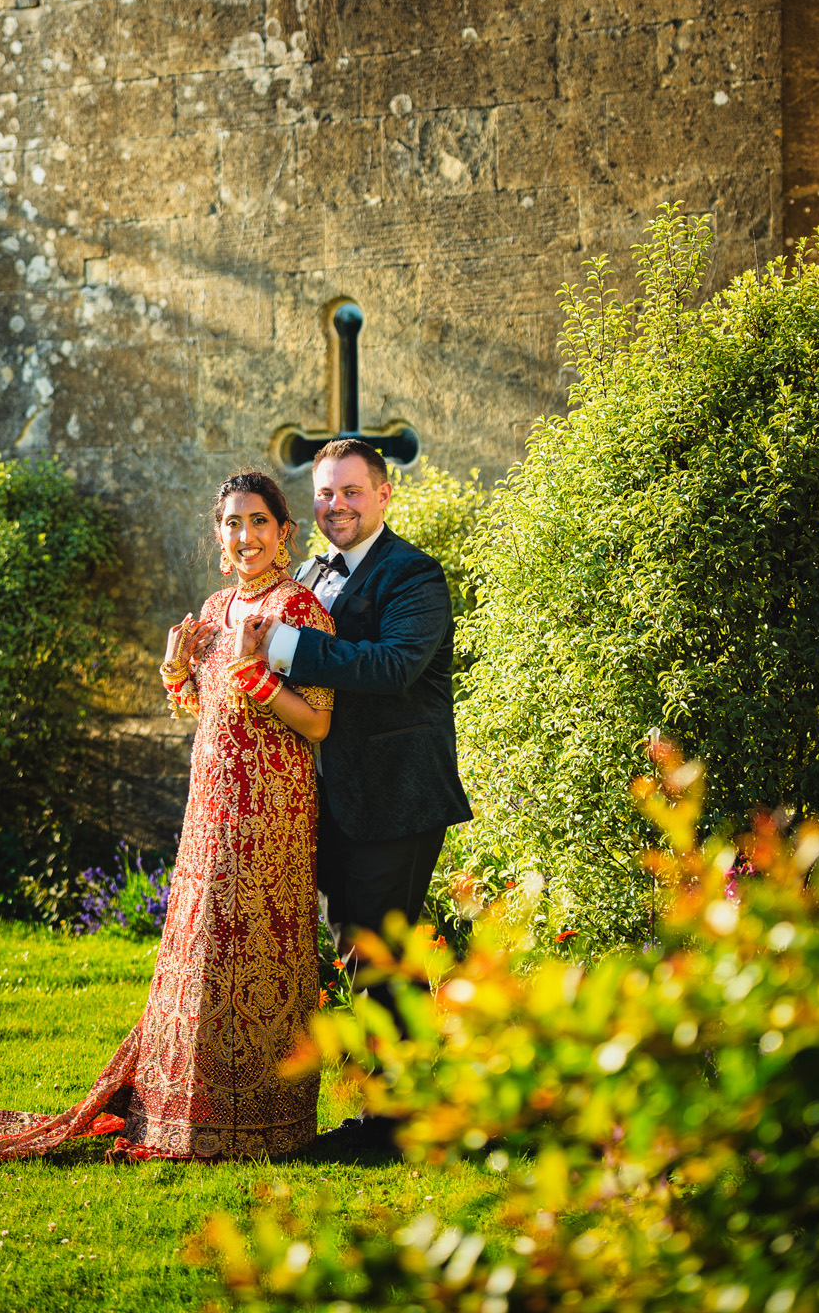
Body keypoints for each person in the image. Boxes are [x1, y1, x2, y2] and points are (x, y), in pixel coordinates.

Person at [0, 471, 334, 1170]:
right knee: (204, 957)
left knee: (255, 955)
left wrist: (256, 675)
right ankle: (197, 1111)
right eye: (231, 523)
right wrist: (174, 671)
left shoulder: (298, 608)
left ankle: (269, 1123)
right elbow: (204, 710)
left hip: (271, 813)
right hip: (211, 805)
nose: (244, 536)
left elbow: (318, 720)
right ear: (218, 536)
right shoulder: (216, 607)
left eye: (257, 522)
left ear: (283, 533)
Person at [250, 436, 473, 1144]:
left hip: (397, 797)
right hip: (333, 797)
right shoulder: (315, 571)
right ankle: (405, 1110)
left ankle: (394, 1123)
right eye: (324, 493)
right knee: (361, 955)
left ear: (383, 495)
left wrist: (281, 646)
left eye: (350, 491)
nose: (335, 505)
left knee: (378, 958)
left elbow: (394, 666)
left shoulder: (414, 575)